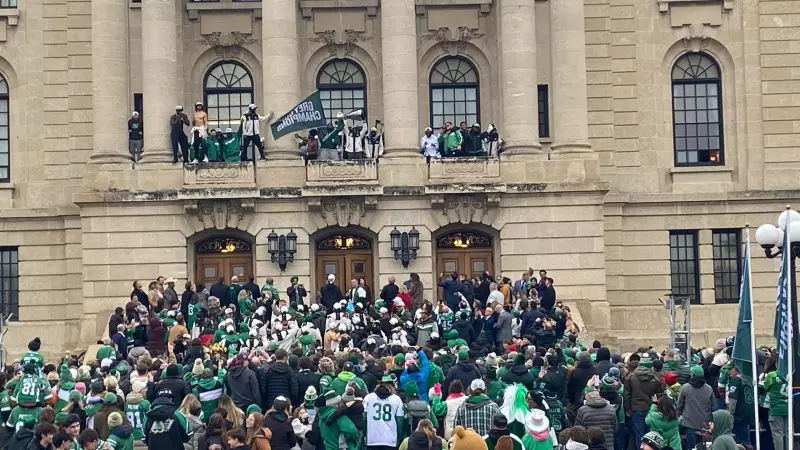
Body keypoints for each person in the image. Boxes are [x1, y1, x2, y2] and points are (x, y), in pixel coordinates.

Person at [623, 354, 663, 448]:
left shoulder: (631, 377)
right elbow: (660, 395)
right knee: (651, 436)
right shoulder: (656, 378)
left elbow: (627, 395)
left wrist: (627, 409)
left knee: (639, 435)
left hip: (636, 409)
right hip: (651, 409)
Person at [677, 365, 715, 450]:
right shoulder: (709, 389)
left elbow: (680, 404)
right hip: (705, 423)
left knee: (691, 447)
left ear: (692, 375)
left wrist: (678, 414)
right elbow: (714, 406)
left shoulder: (685, 387)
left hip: (689, 422)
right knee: (704, 446)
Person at [725, 362, 755, 445]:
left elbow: (733, 400)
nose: (728, 371)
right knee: (745, 437)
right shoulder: (748, 379)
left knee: (741, 441)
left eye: (730, 369)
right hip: (749, 413)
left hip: (739, 415)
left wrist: (730, 414)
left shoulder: (735, 380)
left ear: (736, 369)